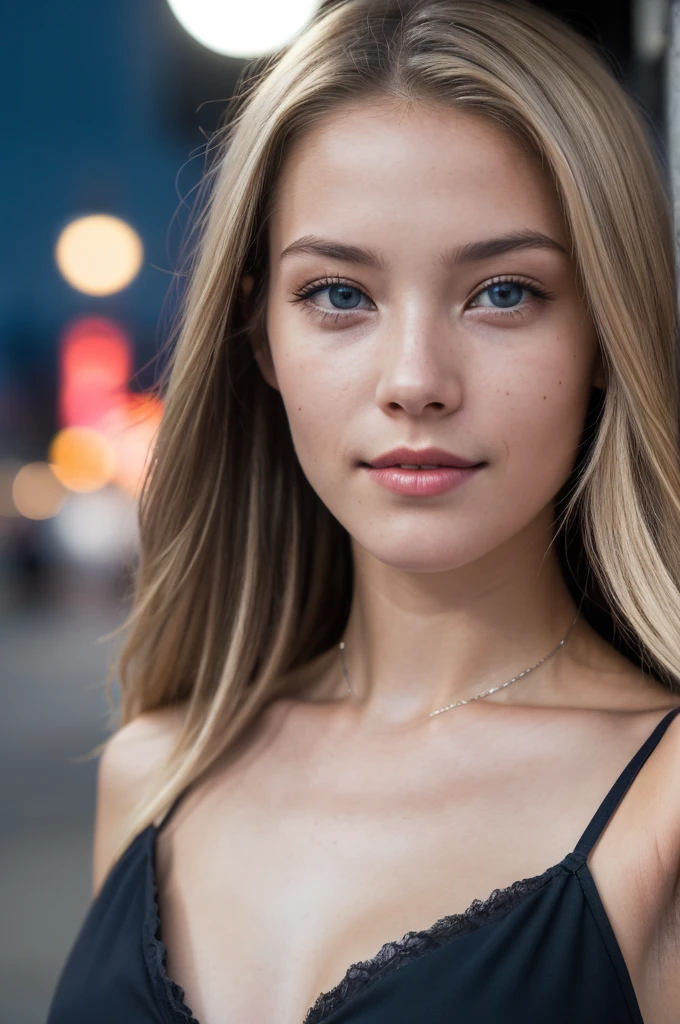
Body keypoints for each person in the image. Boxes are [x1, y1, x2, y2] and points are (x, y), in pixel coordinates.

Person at [46, 1, 680, 1022]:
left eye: (502, 292)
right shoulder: (154, 771)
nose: (415, 380)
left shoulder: (661, 807)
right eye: (339, 295)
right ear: (258, 337)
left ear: (605, 331)